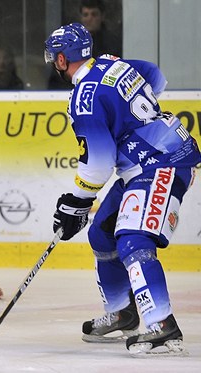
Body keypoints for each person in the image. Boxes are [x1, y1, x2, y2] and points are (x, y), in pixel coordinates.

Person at [44, 23, 200, 357]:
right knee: (102, 233)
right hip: (149, 159)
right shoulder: (112, 63)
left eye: (52, 58)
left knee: (132, 239)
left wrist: (77, 202)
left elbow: (98, 164)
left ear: (61, 60)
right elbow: (154, 75)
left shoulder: (82, 99)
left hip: (162, 162)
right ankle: (123, 313)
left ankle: (161, 326)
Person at [48, 0, 122, 90]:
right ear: (81, 17)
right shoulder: (67, 44)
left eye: (94, 14)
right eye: (85, 15)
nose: (89, 18)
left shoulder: (112, 43)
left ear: (102, 16)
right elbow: (57, 79)